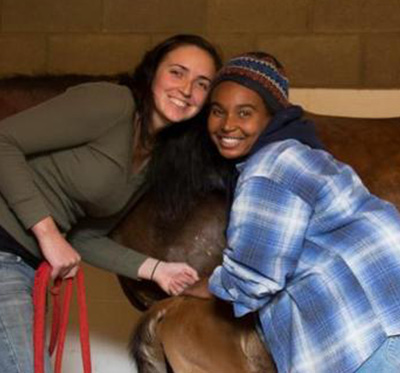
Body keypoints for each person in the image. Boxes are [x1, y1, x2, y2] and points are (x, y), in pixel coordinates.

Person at [0, 34, 221, 373]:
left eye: (202, 83)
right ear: (152, 73)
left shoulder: (155, 159)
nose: (187, 89)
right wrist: (48, 234)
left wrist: (156, 270)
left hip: (25, 265)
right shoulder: (112, 102)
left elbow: (80, 238)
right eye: (177, 72)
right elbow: (3, 141)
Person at [184, 52, 400, 373]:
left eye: (245, 112)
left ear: (271, 116)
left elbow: (256, 277)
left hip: (367, 332)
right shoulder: (302, 152)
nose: (228, 124)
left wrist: (205, 287)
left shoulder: (268, 169)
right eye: (218, 111)